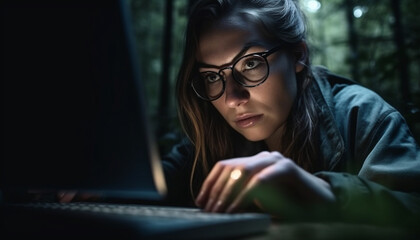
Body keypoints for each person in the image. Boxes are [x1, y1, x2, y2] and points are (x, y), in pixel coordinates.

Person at [162, 0, 420, 225]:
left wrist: (326, 194)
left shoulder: (362, 116)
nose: (232, 98)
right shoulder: (207, 137)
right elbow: (144, 189)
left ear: (297, 55)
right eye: (211, 76)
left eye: (250, 63)